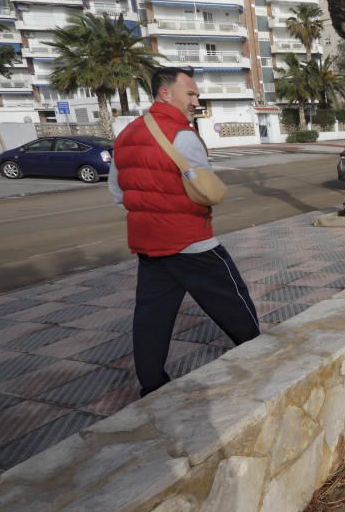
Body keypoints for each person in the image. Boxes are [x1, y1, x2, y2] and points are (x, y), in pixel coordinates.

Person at [109, 66, 260, 396]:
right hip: (192, 242)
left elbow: (118, 193)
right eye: (190, 93)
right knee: (232, 300)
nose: (196, 100)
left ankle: (152, 384)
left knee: (152, 315)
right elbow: (203, 189)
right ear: (166, 93)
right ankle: (261, 355)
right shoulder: (182, 134)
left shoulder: (126, 136)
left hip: (148, 245)